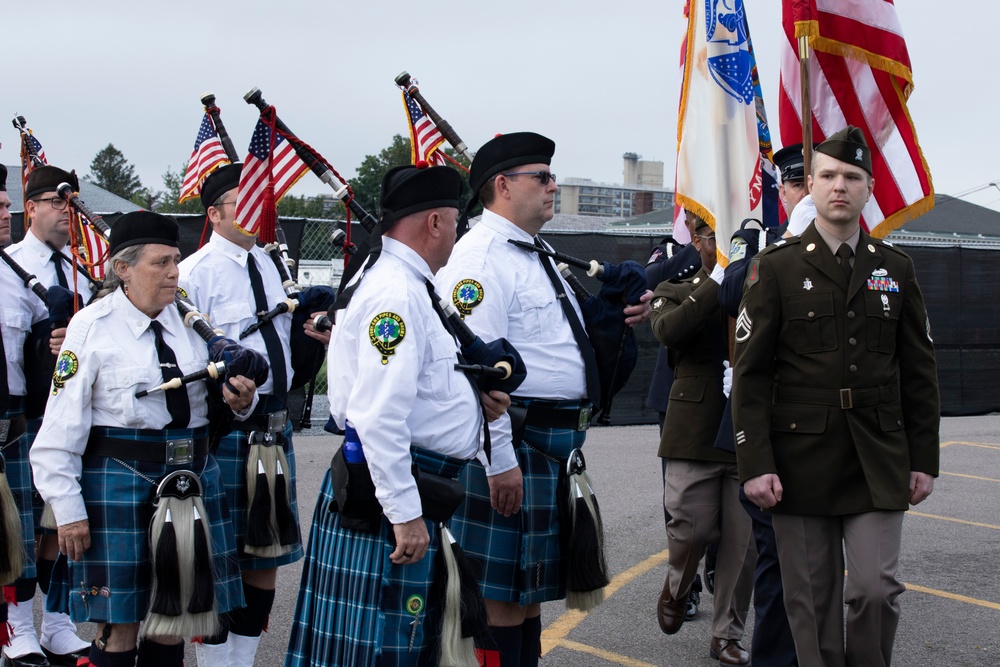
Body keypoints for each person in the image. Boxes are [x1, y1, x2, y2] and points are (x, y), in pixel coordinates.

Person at [436, 132, 651, 667]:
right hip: (518, 445)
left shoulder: (539, 253)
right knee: (499, 603)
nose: (554, 186)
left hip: (553, 446)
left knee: (527, 603)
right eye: (543, 177)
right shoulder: (480, 261)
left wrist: (617, 317)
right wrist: (499, 462)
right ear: (503, 186)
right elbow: (478, 374)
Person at [286, 164, 510, 666]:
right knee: (387, 652)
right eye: (456, 220)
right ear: (433, 222)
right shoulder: (396, 293)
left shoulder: (407, 283)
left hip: (404, 486)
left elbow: (420, 387)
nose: (458, 232)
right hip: (396, 494)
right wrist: (405, 514)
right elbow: (378, 416)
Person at [733, 126, 940, 667]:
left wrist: (925, 459)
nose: (838, 186)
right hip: (799, 462)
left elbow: (919, 371)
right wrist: (754, 463)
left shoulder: (896, 269)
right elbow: (750, 377)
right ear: (812, 187)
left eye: (851, 177)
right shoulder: (775, 267)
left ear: (870, 188)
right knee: (810, 601)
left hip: (878, 456)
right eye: (827, 176)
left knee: (875, 589)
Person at [30, 211, 259, 667]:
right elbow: (59, 428)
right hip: (119, 483)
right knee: (120, 628)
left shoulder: (194, 327)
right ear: (123, 269)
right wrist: (69, 512)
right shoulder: (91, 327)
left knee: (173, 625)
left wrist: (241, 403)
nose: (175, 272)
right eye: (161, 263)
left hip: (190, 479)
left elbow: (216, 409)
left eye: (176, 260)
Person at [179, 163, 323, 666]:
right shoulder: (196, 274)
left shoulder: (268, 263)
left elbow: (284, 344)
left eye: (265, 202)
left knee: (267, 558)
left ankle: (243, 660)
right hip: (227, 432)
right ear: (215, 215)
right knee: (221, 561)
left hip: (274, 431)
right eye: (246, 203)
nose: (260, 213)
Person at [713, 144, 810, 667]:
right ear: (783, 190)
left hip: (827, 428)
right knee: (777, 558)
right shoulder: (758, 238)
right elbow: (730, 296)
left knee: (824, 564)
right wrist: (784, 246)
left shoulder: (848, 240)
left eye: (810, 182)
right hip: (769, 421)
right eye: (796, 184)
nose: (806, 193)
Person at [649, 214, 754, 666]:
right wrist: (719, 279)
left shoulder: (763, 280)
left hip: (750, 428)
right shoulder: (676, 285)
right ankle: (677, 585)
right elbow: (670, 330)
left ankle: (727, 634)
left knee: (741, 544)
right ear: (696, 239)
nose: (722, 242)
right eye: (713, 234)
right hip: (695, 430)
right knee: (691, 528)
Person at [5, 165, 92, 667]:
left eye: (71, 202)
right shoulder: (8, 265)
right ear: (30, 207)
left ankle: (58, 622)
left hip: (71, 414)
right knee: (20, 527)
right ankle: (17, 627)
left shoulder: (82, 269)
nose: (66, 211)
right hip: (24, 416)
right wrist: (45, 346)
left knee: (59, 525)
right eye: (56, 202)